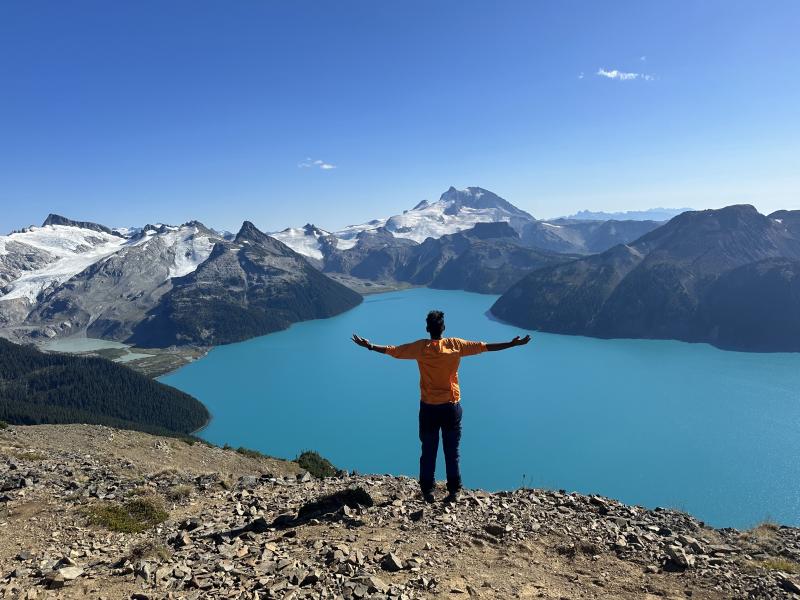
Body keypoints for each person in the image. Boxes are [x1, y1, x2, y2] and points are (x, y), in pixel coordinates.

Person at [351, 310, 530, 503]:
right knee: (452, 452)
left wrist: (370, 346)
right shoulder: (455, 345)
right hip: (451, 407)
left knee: (428, 451)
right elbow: (484, 347)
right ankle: (454, 491)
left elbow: (393, 351)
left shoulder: (420, 348)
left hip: (428, 408)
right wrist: (511, 344)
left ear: (427, 329)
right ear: (443, 328)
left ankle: (427, 491)